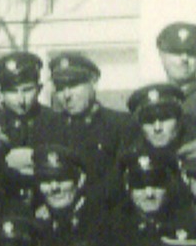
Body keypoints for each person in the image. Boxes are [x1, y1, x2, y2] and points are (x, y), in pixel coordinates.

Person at [41, 52, 133, 206]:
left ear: (94, 82)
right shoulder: (48, 128)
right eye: (61, 88)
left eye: (74, 85)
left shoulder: (121, 125)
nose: (67, 95)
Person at [0, 51, 52, 157]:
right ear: (0, 92)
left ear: (39, 89)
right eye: (12, 92)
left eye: (27, 90)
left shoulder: (55, 122)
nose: (21, 100)